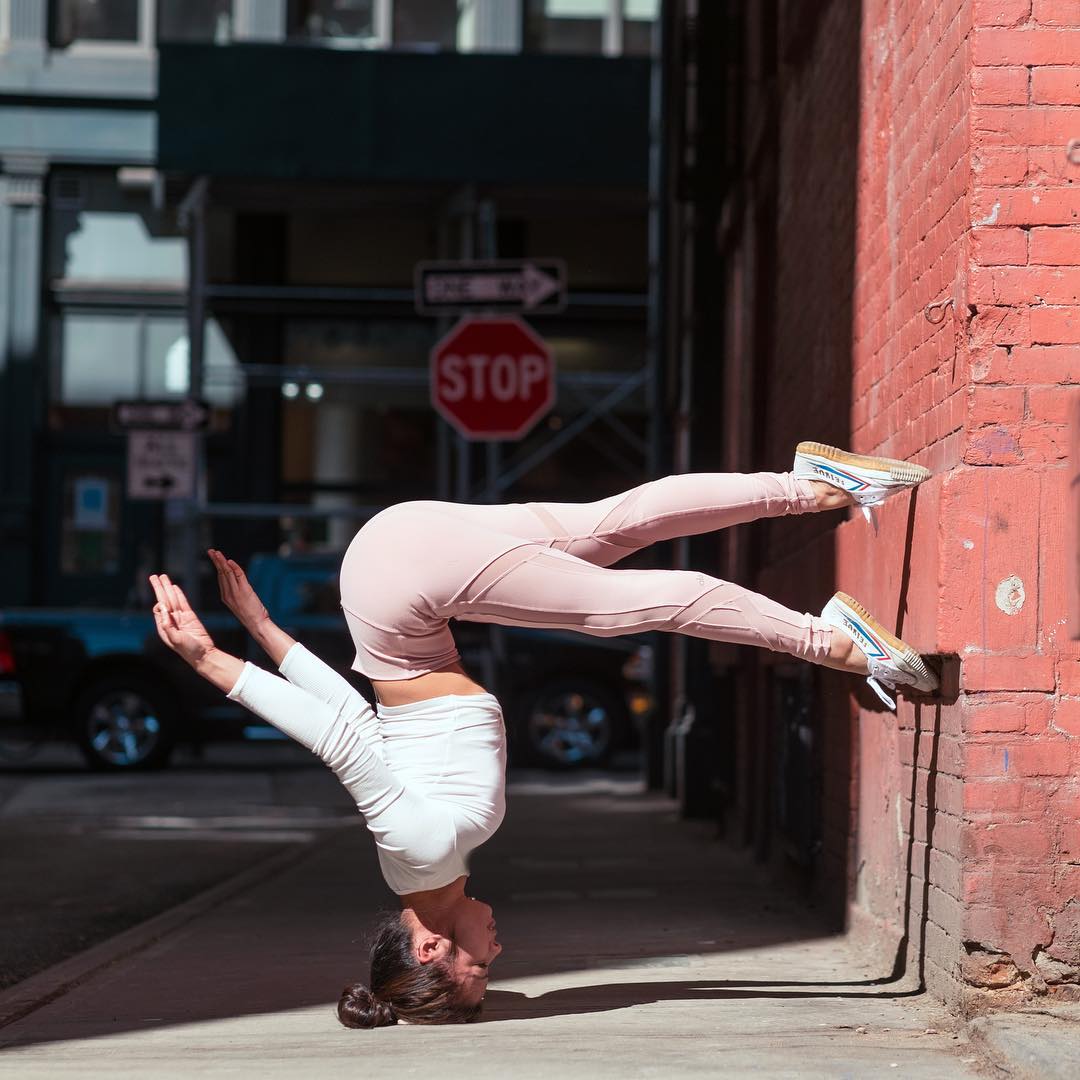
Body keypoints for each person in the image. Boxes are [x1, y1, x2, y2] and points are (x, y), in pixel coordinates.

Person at [148, 442, 937, 1030]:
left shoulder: (422, 847)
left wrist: (214, 658)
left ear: (430, 951)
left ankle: (833, 642)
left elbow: (336, 737)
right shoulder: (422, 865)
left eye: (479, 970)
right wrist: (263, 626)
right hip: (397, 585)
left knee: (631, 604)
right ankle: (814, 484)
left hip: (405, 585)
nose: (498, 955)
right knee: (613, 528)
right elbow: (359, 715)